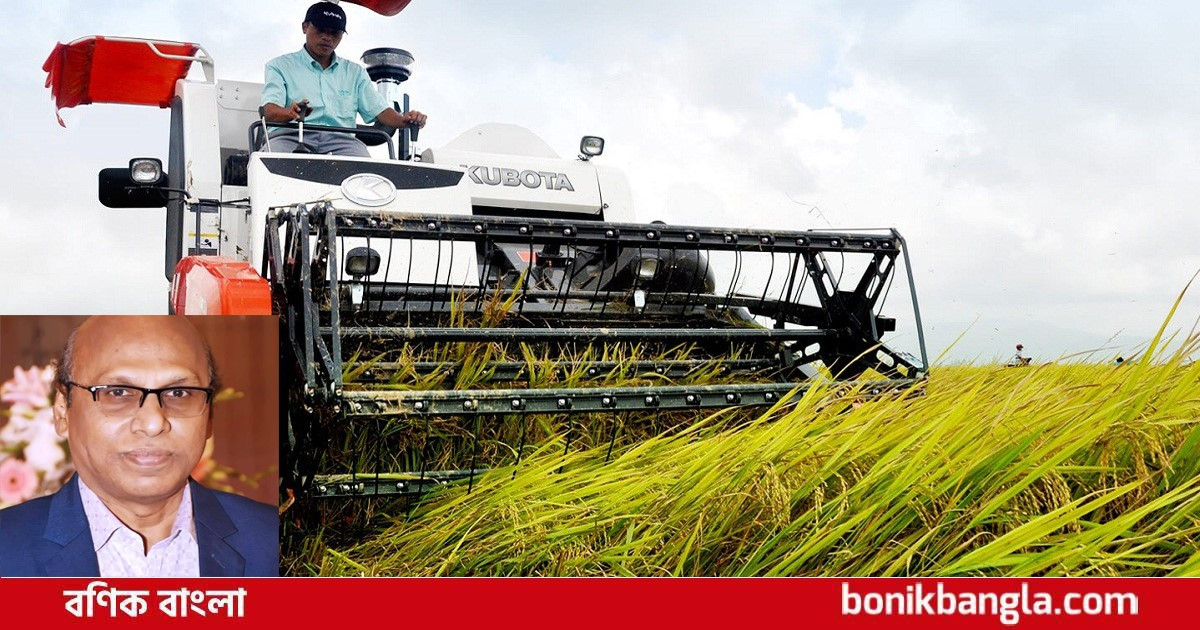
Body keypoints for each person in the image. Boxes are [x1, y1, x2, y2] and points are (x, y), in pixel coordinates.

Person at [0, 316, 277, 577]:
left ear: (209, 416)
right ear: (62, 411)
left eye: (179, 393)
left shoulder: (271, 540)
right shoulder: (8, 551)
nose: (153, 422)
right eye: (118, 392)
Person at [259, 1, 427, 156]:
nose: (327, 37)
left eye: (335, 33)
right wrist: (291, 112)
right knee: (272, 165)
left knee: (370, 176)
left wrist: (404, 119)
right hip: (290, 136)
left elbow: (380, 111)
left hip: (343, 142)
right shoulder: (279, 66)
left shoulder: (355, 72)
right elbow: (270, 112)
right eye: (321, 30)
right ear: (304, 27)